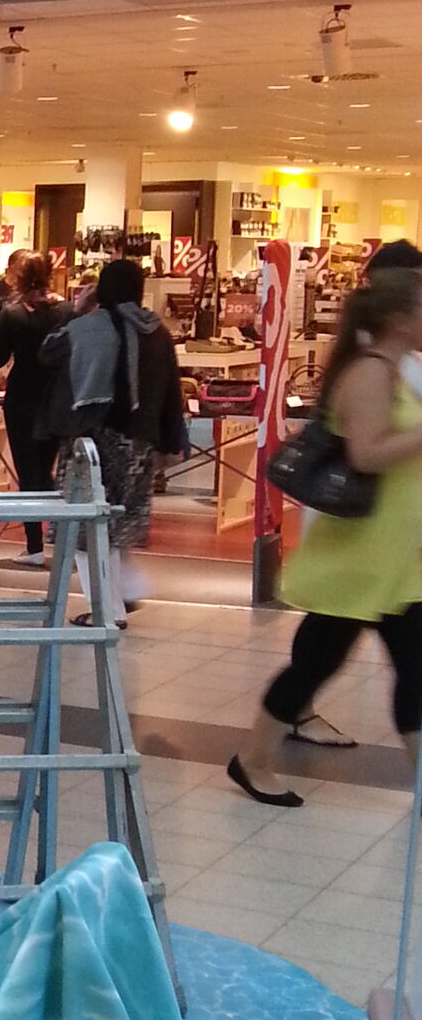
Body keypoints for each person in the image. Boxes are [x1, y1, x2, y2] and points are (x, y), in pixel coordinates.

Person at [229, 266, 422, 806]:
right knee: (316, 665)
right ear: (399, 318)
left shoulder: (396, 369)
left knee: (412, 669)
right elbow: (367, 454)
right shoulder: (369, 373)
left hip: (393, 557)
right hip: (357, 558)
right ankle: (252, 760)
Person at [41, 258, 187, 626]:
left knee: (84, 527)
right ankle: (123, 593)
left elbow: (48, 351)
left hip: (93, 440)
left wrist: (75, 310)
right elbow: (172, 391)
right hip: (140, 442)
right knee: (117, 527)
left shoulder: (88, 326)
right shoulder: (157, 331)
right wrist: (170, 441)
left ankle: (108, 610)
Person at [0, 252, 66, 566]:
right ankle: (63, 532)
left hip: (22, 397)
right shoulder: (66, 311)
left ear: (18, 277)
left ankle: (34, 546)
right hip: (55, 396)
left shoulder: (13, 314)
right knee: (45, 468)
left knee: (28, 471)